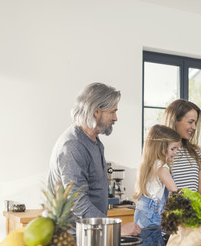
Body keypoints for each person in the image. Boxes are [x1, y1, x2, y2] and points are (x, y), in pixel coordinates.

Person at [48, 82, 141, 236]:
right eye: (112, 112)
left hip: (91, 232)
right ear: (96, 111)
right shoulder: (73, 145)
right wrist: (115, 229)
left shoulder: (95, 142)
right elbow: (77, 202)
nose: (116, 118)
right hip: (72, 239)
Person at [132, 124, 181, 229]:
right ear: (161, 147)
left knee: (143, 243)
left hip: (142, 212)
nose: (175, 152)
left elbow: (160, 192)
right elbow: (174, 190)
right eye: (173, 149)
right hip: (152, 213)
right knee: (156, 244)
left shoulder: (150, 164)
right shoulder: (162, 166)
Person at [163, 99, 201, 195]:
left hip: (193, 210)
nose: (194, 127)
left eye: (195, 123)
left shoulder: (196, 152)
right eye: (190, 122)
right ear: (175, 120)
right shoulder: (161, 152)